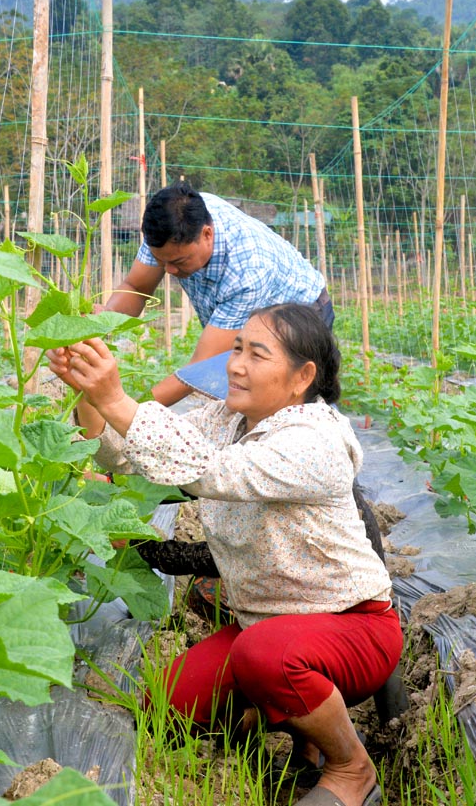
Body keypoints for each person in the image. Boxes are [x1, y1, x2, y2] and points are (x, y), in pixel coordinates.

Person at [47, 303, 397, 806]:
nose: (235, 364)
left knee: (264, 654)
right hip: (266, 624)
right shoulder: (228, 416)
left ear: (302, 376)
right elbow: (127, 456)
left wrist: (118, 397)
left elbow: (212, 471)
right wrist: (88, 396)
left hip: (351, 627)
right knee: (167, 703)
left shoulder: (315, 440)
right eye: (237, 349)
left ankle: (350, 768)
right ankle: (291, 723)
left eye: (257, 354)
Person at [104, 182, 332, 405]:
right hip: (252, 314)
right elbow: (136, 287)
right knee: (238, 398)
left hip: (302, 314)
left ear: (207, 234)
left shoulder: (246, 270)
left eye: (178, 262)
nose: (168, 270)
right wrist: (103, 321)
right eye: (160, 261)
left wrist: (128, 412)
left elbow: (199, 370)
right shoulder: (170, 226)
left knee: (291, 405)